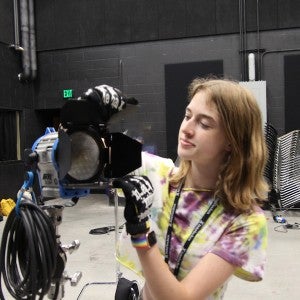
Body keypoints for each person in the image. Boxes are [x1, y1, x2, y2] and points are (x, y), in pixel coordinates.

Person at [86, 79, 269, 299]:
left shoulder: (245, 221)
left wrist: (141, 233)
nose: (187, 129)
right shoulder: (158, 174)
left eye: (205, 124)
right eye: (188, 116)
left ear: (232, 141)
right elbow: (81, 158)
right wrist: (87, 116)